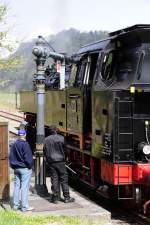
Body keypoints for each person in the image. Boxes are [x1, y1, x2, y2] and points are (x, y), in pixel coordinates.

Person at [43, 125, 75, 204]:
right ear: (56, 131)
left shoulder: (46, 140)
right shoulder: (62, 138)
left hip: (51, 162)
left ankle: (55, 198)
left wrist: (47, 159)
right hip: (61, 161)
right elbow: (66, 150)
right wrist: (66, 158)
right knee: (64, 179)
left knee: (54, 179)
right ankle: (67, 197)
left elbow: (44, 151)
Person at [9, 129, 34, 212]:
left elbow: (11, 157)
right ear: (25, 135)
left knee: (16, 187)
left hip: (16, 168)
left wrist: (13, 166)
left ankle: (15, 206)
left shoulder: (14, 144)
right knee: (24, 188)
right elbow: (28, 158)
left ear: (18, 135)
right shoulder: (25, 145)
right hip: (24, 169)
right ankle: (24, 207)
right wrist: (30, 166)